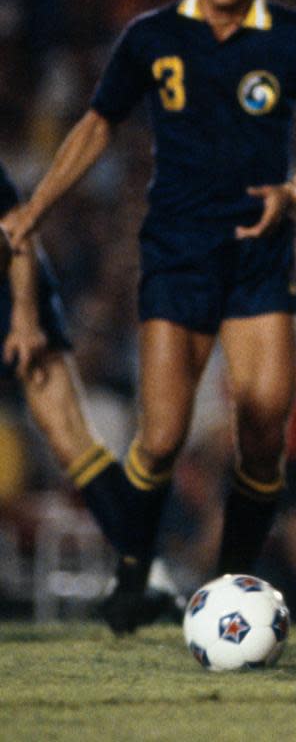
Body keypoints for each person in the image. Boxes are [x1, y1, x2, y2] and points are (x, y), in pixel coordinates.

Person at [2, 0, 296, 632]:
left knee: (264, 424)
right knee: (161, 437)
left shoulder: (294, 38)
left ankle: (233, 580)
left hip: (261, 251)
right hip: (176, 252)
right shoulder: (152, 39)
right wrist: (37, 205)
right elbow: (98, 124)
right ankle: (134, 573)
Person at [0, 161, 181, 617]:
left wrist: (23, 315)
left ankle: (146, 572)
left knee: (70, 436)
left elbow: (16, 228)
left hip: (8, 293)